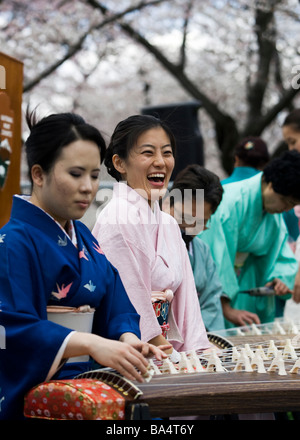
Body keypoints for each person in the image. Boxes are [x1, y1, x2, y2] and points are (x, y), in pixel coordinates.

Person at [0, 112, 168, 420]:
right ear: (39, 175)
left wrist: (128, 340)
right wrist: (89, 342)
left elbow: (114, 302)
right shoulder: (12, 242)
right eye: (76, 174)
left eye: (93, 175)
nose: (88, 187)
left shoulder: (84, 236)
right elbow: (9, 327)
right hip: (47, 387)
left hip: (91, 376)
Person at [92, 115, 211, 359]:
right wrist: (172, 358)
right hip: (129, 351)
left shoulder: (167, 223)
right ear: (120, 163)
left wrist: (200, 352)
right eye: (148, 153)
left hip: (164, 351)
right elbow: (128, 302)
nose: (160, 162)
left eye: (167, 153)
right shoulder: (117, 217)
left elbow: (187, 303)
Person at [199, 150, 300, 328]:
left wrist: (280, 277)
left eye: (291, 205)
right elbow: (215, 255)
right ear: (269, 184)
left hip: (248, 285)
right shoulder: (229, 202)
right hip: (220, 292)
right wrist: (226, 308)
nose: (285, 209)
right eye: (285, 201)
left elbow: (280, 252)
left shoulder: (272, 212)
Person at [164, 164, 225, 331]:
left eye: (201, 222)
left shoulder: (202, 251)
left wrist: (195, 336)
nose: (190, 227)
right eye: (185, 217)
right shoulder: (146, 240)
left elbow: (211, 302)